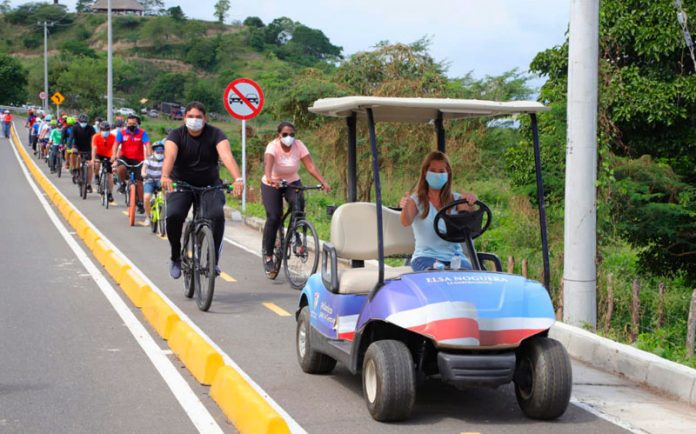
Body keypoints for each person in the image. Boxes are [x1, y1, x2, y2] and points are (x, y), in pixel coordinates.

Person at [161, 101, 243, 279]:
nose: (194, 120)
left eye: (199, 117)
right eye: (190, 116)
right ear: (184, 118)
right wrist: (165, 175)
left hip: (209, 184)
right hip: (181, 183)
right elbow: (170, 155)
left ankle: (212, 260)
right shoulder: (176, 135)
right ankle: (176, 256)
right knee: (174, 216)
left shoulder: (216, 134)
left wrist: (238, 179)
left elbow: (226, 155)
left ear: (205, 118)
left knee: (217, 217)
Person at [261, 121, 331, 273]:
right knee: (274, 217)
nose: (289, 137)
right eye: (285, 134)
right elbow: (268, 164)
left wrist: (323, 182)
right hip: (272, 183)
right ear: (278, 135)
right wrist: (270, 178)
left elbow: (310, 166)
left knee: (299, 206)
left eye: (292, 134)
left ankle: (294, 236)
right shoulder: (272, 147)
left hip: (292, 181)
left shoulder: (298, 145)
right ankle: (268, 257)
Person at [399, 151, 478, 271]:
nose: (437, 175)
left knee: (469, 278)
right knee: (436, 274)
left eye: (441, 171)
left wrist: (471, 203)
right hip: (426, 257)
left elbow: (471, 223)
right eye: (433, 170)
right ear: (425, 173)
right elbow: (405, 221)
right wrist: (405, 206)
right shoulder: (416, 200)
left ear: (448, 174)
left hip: (455, 258)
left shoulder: (458, 200)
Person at [112, 114, 151, 213]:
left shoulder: (142, 133)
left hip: (138, 159)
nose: (131, 125)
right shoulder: (122, 133)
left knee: (139, 182)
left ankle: (141, 203)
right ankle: (122, 183)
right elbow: (116, 144)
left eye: (134, 124)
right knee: (121, 168)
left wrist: (150, 157)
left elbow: (147, 145)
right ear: (126, 123)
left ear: (137, 124)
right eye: (129, 123)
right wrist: (113, 155)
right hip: (125, 157)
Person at [141, 141, 165, 226]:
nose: (159, 153)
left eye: (161, 151)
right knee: (146, 197)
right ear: (153, 151)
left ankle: (165, 211)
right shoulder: (148, 160)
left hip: (161, 181)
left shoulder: (166, 160)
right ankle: (148, 216)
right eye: (157, 152)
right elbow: (144, 169)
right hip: (149, 181)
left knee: (167, 193)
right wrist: (144, 173)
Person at [91, 121, 115, 203]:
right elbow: (94, 148)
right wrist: (93, 159)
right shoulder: (96, 136)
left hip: (109, 155)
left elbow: (115, 148)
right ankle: (97, 175)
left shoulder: (113, 137)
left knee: (110, 176)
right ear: (100, 130)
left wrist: (113, 157)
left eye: (107, 129)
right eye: (103, 129)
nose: (105, 131)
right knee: (97, 164)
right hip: (99, 154)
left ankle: (110, 193)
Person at [71, 114, 96, 191]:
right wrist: (70, 147)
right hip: (77, 146)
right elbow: (71, 138)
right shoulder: (75, 128)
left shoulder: (91, 128)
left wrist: (94, 149)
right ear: (79, 121)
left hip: (88, 148)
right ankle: (75, 169)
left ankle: (88, 184)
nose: (83, 123)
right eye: (82, 121)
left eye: (85, 122)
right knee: (74, 155)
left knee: (90, 166)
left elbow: (95, 139)